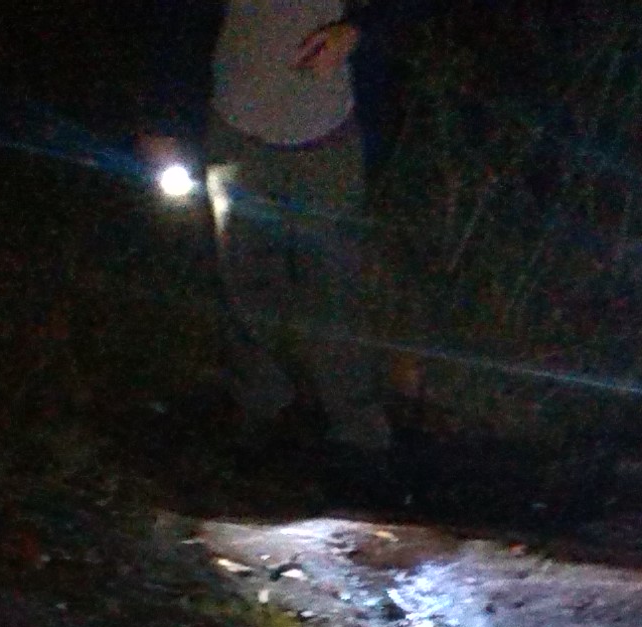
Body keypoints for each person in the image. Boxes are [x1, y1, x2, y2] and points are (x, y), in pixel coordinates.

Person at [138, 0, 428, 457]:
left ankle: (359, 430)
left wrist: (357, 30)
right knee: (244, 279)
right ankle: (262, 410)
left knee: (335, 286)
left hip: (330, 136)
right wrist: (161, 120)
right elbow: (176, 21)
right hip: (236, 130)